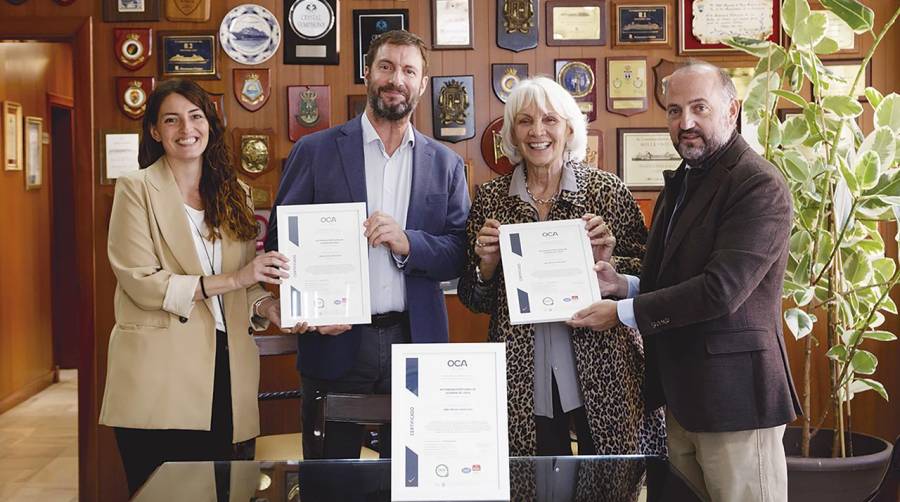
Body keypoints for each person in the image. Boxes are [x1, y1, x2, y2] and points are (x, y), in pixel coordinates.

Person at [569, 62, 802, 502]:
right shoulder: (682, 182)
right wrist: (625, 285)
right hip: (680, 396)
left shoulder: (759, 184)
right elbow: (675, 279)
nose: (685, 122)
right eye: (675, 110)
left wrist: (622, 312)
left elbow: (721, 290)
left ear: (732, 109)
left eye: (699, 107)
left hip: (735, 402)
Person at [265, 30, 470, 459]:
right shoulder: (314, 151)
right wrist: (313, 305)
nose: (397, 79)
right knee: (332, 481)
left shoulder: (446, 163)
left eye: (409, 70)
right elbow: (279, 241)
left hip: (415, 342)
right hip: (336, 343)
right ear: (367, 73)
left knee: (412, 481)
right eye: (386, 67)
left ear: (422, 84)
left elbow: (458, 254)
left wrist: (408, 242)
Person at [456, 76, 666, 468]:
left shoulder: (607, 190)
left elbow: (647, 277)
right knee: (533, 482)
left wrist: (609, 262)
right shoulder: (489, 199)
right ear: (512, 133)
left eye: (550, 119)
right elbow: (473, 298)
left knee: (609, 480)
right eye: (525, 121)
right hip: (521, 370)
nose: (538, 131)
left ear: (569, 128)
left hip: (604, 367)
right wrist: (485, 266)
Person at [100, 78, 289, 495]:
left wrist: (266, 308)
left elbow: (244, 284)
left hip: (229, 372)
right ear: (154, 131)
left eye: (195, 116)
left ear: (210, 124)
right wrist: (238, 279)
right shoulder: (135, 190)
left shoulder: (235, 193)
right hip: (159, 377)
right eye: (171, 120)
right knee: (166, 494)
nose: (186, 129)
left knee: (226, 491)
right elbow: (143, 283)